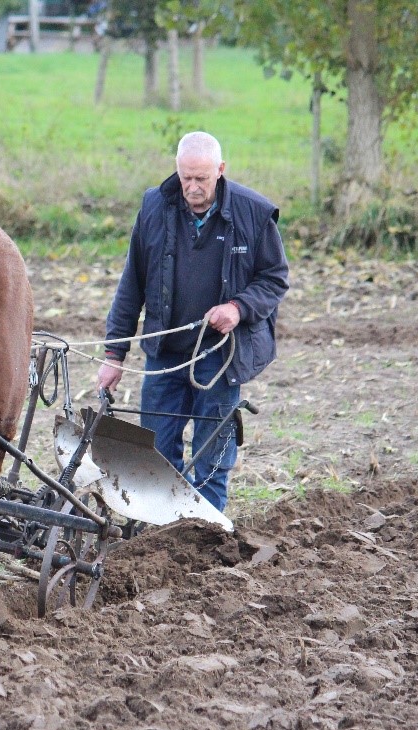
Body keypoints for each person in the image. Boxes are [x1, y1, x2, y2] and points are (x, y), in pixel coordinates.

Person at [96, 131, 289, 513]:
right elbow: (131, 284)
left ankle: (205, 537)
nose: (192, 186)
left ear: (220, 170)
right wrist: (114, 353)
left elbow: (274, 278)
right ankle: (157, 531)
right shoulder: (155, 207)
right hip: (166, 353)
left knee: (211, 459)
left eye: (201, 178)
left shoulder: (253, 213)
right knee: (154, 453)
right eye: (186, 177)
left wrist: (238, 307)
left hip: (219, 359)